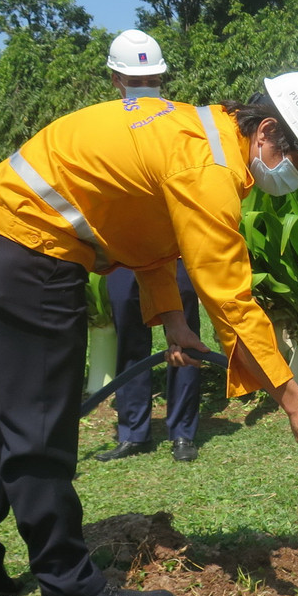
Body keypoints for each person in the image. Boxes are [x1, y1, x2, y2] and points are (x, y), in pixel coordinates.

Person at [0, 72, 298, 596]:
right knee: (39, 423)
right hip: (33, 248)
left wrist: (173, 321)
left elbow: (147, 233)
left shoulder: (198, 132)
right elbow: (231, 300)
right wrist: (295, 403)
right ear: (266, 132)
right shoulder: (207, 168)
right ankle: (68, 590)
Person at [97, 30, 203, 464]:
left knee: (184, 336)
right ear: (116, 81)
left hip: (173, 245)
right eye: (137, 81)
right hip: (124, 247)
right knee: (130, 337)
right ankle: (134, 430)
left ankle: (183, 432)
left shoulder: (183, 122)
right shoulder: (103, 124)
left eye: (151, 80)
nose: (145, 88)